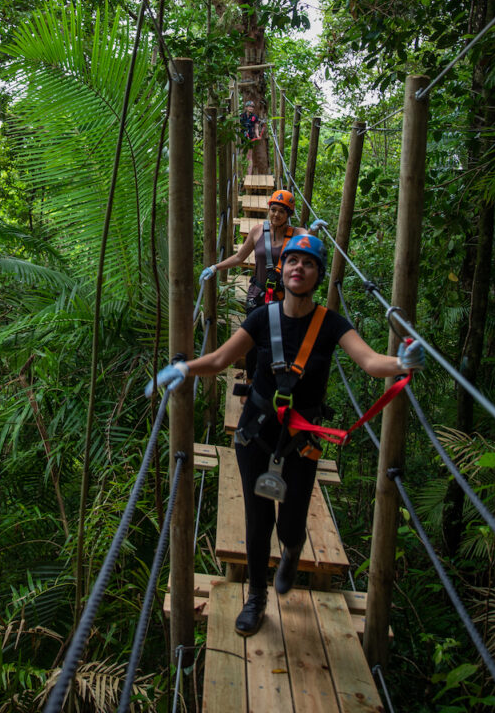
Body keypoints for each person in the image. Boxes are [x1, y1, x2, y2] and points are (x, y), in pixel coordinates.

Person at [147, 233, 425, 637]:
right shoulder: (262, 317)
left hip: (300, 440)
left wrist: (400, 361)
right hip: (256, 434)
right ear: (283, 269)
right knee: (257, 521)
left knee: (291, 524)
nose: (298, 268)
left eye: (308, 263)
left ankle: (293, 551)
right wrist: (186, 368)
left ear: (317, 274)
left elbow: (369, 362)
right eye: (292, 261)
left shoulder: (331, 324)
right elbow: (223, 358)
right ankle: (256, 597)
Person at [199, 189, 308, 380]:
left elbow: (308, 238)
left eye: (282, 211)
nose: (276, 214)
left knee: (279, 341)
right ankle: (250, 380)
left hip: (282, 297)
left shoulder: (296, 234)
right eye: (273, 209)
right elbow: (240, 257)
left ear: (289, 215)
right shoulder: (258, 231)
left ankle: (270, 381)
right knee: (252, 339)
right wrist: (215, 267)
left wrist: (313, 230)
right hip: (258, 293)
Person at [239, 99, 263, 176]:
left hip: (251, 138)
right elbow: (238, 127)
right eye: (249, 106)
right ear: (246, 107)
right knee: (242, 155)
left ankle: (248, 175)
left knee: (249, 156)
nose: (251, 108)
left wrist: (258, 136)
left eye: (252, 107)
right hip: (242, 138)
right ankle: (242, 173)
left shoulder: (255, 117)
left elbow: (256, 128)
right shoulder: (241, 116)